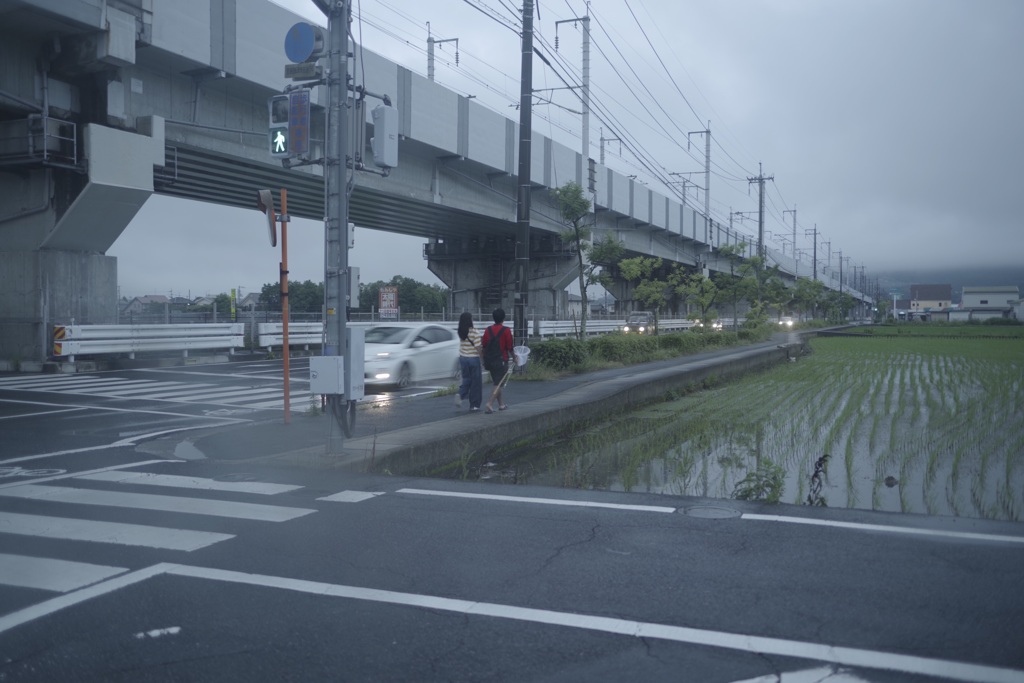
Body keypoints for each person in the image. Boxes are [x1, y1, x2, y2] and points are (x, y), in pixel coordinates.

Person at [481, 308, 514, 414]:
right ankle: (489, 403)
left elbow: (484, 345)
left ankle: (501, 405)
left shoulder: (487, 330)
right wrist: (515, 357)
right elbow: (510, 347)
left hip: (489, 360)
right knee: (499, 383)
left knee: (497, 381)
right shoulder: (506, 330)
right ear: (503, 318)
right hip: (501, 360)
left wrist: (483, 359)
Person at [455, 311, 483, 411]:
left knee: (466, 379)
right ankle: (474, 405)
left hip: (463, 358)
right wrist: (482, 358)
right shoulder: (474, 332)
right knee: (476, 382)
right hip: (473, 359)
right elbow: (478, 347)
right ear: (470, 320)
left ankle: (461, 394)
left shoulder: (461, 332)